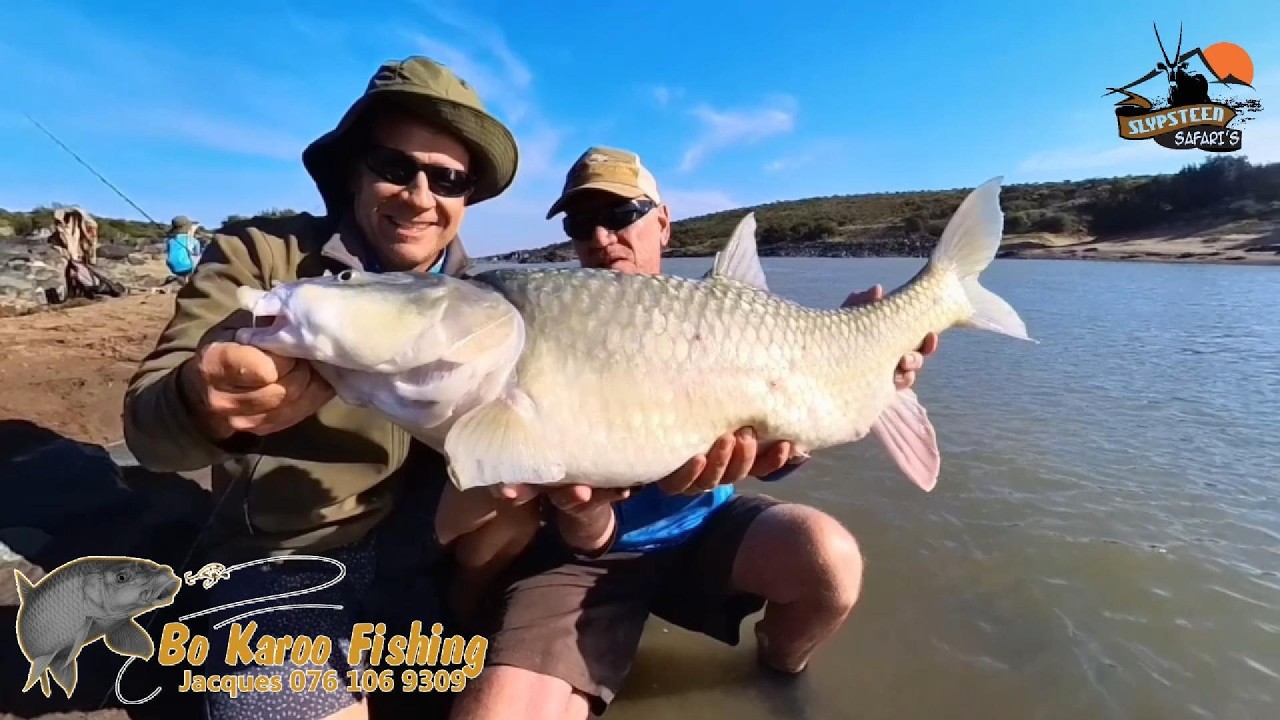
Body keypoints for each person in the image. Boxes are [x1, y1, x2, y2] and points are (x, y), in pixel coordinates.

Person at [120, 58, 803, 720]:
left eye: (447, 179)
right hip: (288, 560)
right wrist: (196, 400)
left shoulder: (494, 297)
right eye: (395, 168)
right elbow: (148, 430)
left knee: (504, 505)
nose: (420, 196)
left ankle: (459, 637)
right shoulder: (261, 256)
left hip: (439, 558)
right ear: (353, 167)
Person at [449, 146, 939, 720]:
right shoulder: (538, 324)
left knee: (829, 561)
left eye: (621, 214)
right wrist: (579, 511)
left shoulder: (725, 318)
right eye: (584, 224)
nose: (603, 237)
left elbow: (783, 445)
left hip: (700, 528)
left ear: (662, 221)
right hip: (580, 559)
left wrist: (872, 360)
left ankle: (779, 670)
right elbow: (564, 519)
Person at [164, 215, 204, 282]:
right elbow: (197, 253)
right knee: (199, 257)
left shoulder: (170, 241)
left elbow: (169, 252)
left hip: (172, 266)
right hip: (187, 267)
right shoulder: (194, 241)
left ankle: (180, 278)